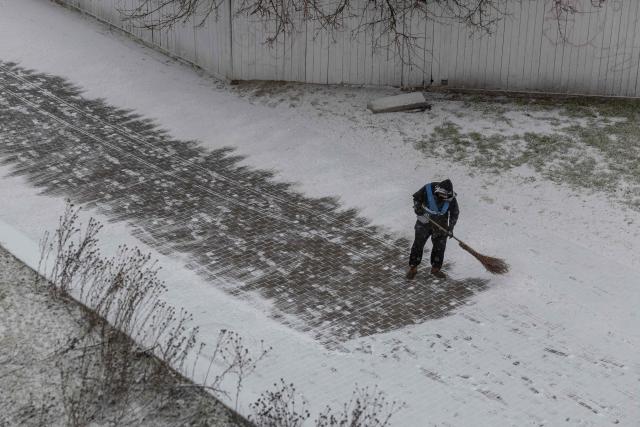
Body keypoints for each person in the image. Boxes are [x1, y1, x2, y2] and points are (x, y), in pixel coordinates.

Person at [406, 179, 459, 280]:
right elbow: (416, 198)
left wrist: (451, 227)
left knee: (440, 247)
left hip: (441, 224)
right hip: (424, 221)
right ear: (439, 191)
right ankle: (413, 267)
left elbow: (454, 213)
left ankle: (436, 268)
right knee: (418, 245)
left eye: (447, 196)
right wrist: (417, 208)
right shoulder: (428, 189)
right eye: (443, 196)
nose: (445, 198)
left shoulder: (451, 198)